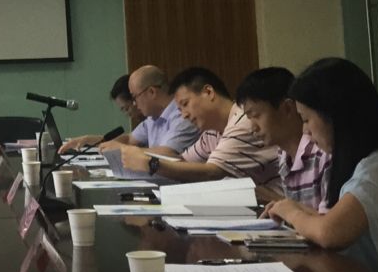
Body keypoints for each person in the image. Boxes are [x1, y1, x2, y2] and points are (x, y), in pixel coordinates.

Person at [263, 58, 378, 272]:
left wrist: (291, 212)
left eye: (306, 120)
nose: (305, 131)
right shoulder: (368, 163)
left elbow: (329, 233)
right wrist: (291, 208)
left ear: (335, 116)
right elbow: (332, 221)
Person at [121, 66, 282, 192]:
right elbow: (182, 161)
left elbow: (211, 172)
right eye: (180, 109)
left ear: (208, 92)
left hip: (280, 212)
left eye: (185, 104)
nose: (184, 115)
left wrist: (151, 163)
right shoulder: (212, 132)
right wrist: (144, 159)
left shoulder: (243, 122)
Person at [237, 67, 331, 209]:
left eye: (256, 115)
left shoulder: (322, 153)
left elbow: (328, 220)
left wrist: (282, 206)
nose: (253, 128)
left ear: (287, 108)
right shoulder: (283, 154)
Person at [63, 66, 198, 154]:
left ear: (151, 92)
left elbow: (168, 153)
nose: (134, 103)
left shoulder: (182, 115)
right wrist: (98, 141)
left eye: (135, 97)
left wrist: (123, 149)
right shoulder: (153, 118)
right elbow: (129, 139)